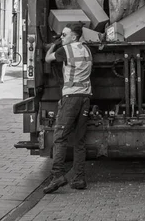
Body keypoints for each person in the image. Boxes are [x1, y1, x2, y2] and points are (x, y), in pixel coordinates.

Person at [42, 24, 92, 194]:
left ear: (74, 37)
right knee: (79, 140)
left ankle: (57, 175)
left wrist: (54, 45)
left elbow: (48, 59)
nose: (62, 37)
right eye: (61, 35)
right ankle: (79, 178)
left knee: (60, 137)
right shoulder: (87, 50)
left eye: (64, 35)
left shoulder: (66, 50)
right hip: (85, 98)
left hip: (71, 98)